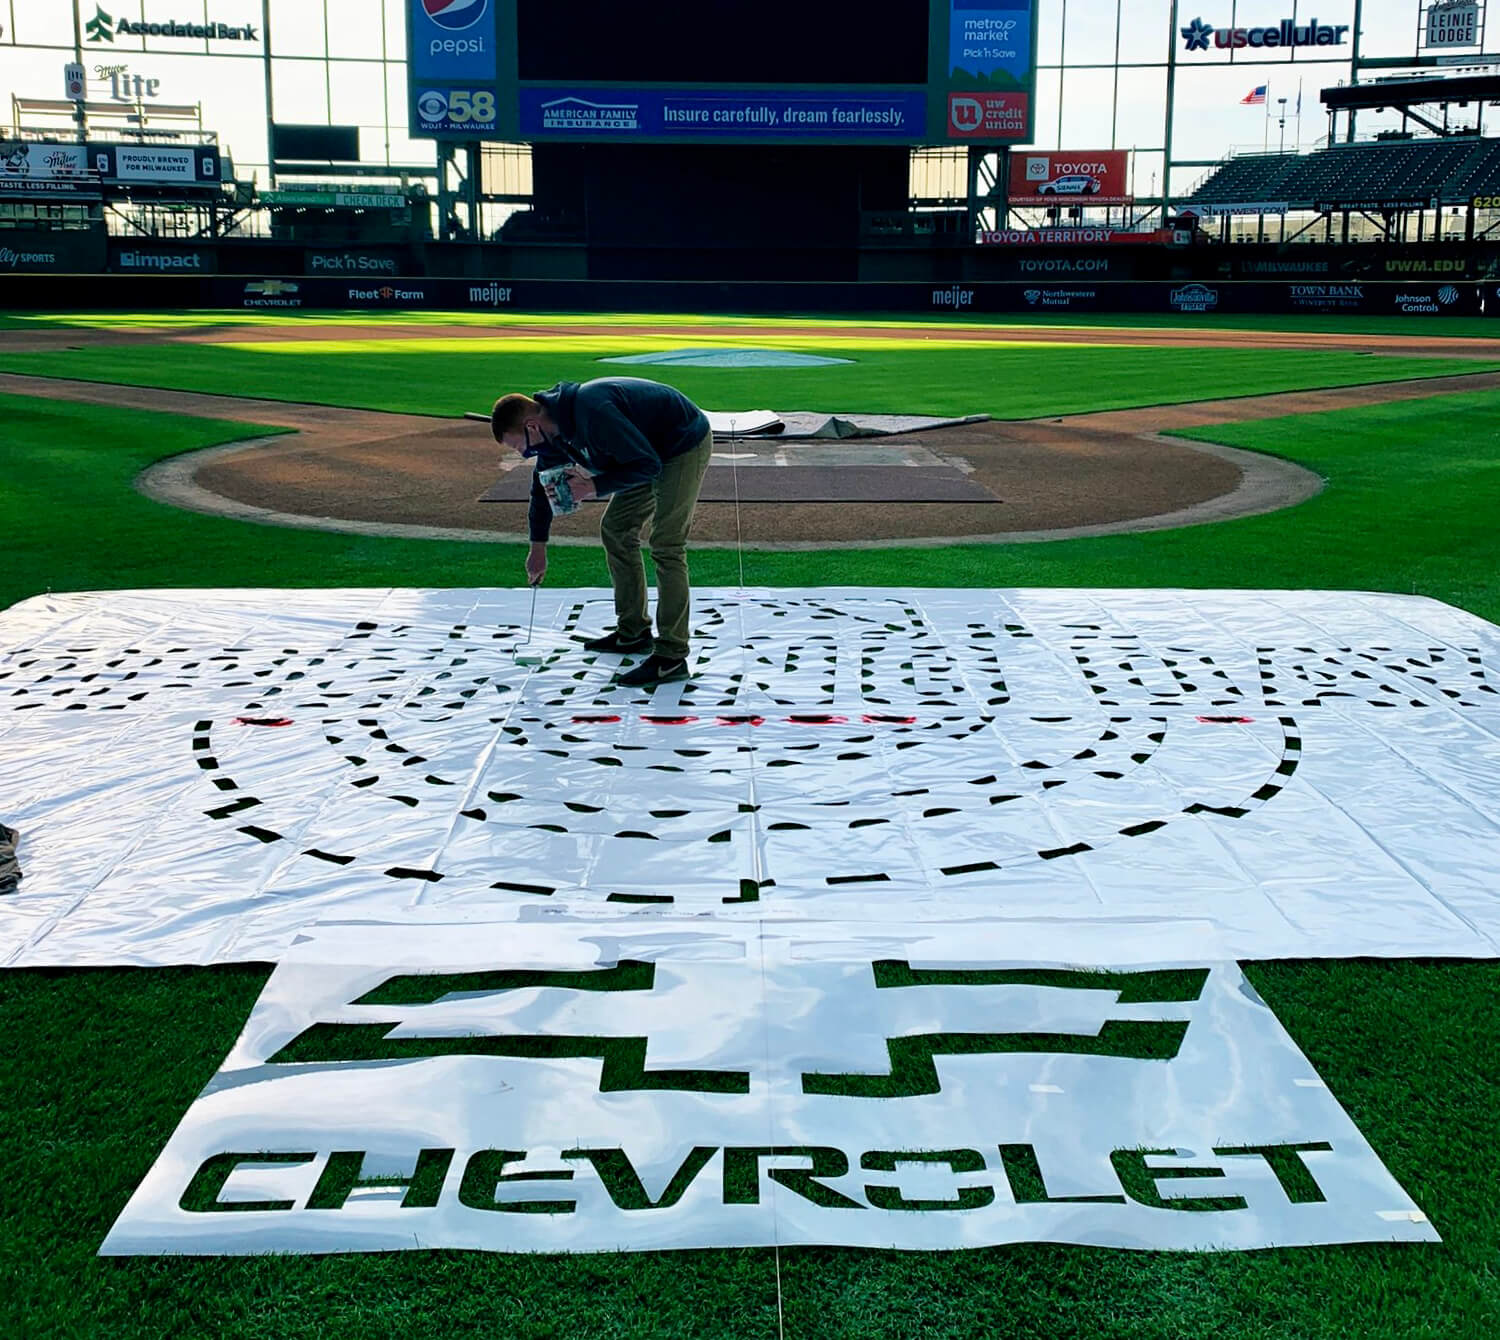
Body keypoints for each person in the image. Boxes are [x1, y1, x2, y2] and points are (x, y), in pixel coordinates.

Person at [491, 377, 713, 687]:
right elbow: (541, 491)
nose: (526, 455)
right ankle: (633, 631)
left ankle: (672, 656)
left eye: (520, 448)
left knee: (666, 543)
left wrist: (594, 486)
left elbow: (648, 465)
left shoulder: (592, 411)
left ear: (531, 426)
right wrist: (537, 548)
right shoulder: (553, 434)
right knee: (615, 528)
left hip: (681, 443)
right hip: (645, 451)